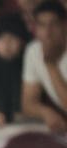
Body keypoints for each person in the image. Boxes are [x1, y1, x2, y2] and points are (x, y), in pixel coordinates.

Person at [21, 0, 67, 133]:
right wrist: (45, 112)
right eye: (42, 25)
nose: (48, 32)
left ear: (65, 25)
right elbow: (27, 103)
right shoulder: (33, 50)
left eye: (54, 24)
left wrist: (51, 65)